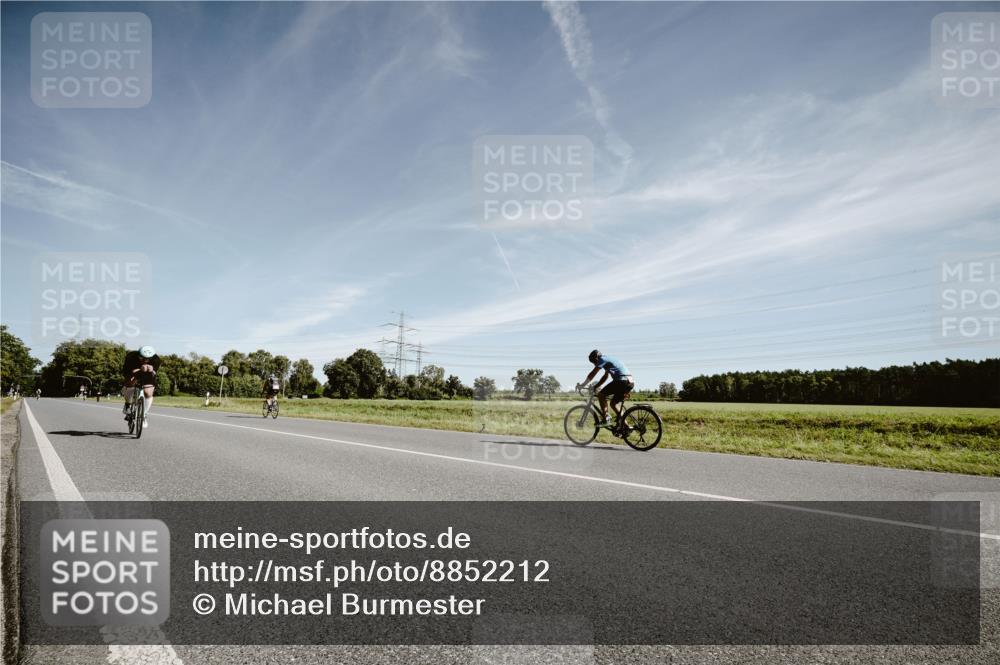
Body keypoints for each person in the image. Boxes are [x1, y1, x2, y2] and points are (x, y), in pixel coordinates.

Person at [577, 349, 634, 426]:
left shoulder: (602, 359)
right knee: (613, 404)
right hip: (629, 382)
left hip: (621, 381)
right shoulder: (608, 359)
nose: (594, 364)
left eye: (594, 362)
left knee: (601, 395)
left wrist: (582, 385)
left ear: (596, 358)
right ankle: (627, 427)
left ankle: (606, 418)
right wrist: (596, 386)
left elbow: (593, 373)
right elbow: (605, 377)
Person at [122, 345, 161, 429]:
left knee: (148, 392)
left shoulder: (156, 359)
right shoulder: (131, 357)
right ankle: (128, 404)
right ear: (138, 355)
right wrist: (139, 370)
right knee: (130, 383)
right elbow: (129, 372)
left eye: (147, 359)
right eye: (142, 358)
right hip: (132, 370)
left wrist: (151, 370)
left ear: (152, 357)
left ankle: (144, 415)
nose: (145, 361)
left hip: (147, 373)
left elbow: (153, 374)